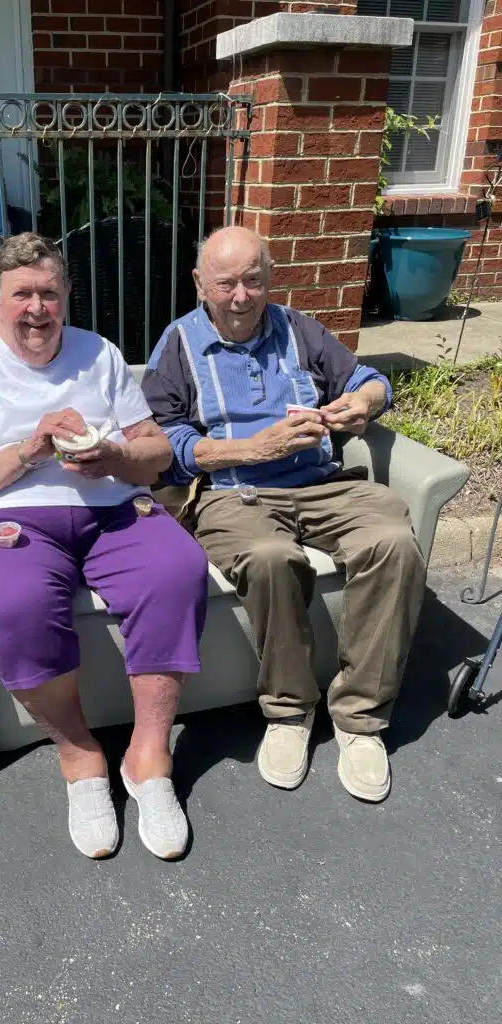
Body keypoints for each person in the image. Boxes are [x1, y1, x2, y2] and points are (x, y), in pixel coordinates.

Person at [0, 232, 208, 860]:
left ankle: (148, 755)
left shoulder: (99, 354)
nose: (37, 308)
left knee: (178, 568)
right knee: (10, 605)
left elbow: (156, 453)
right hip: (13, 519)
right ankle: (79, 752)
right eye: (22, 294)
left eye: (49, 293)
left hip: (110, 506)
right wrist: (28, 450)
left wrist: (116, 457)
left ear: (67, 296)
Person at [142, 225, 426, 803]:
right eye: (227, 284)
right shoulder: (178, 345)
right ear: (201, 284)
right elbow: (160, 442)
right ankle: (290, 712)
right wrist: (252, 448)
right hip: (232, 490)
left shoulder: (300, 329)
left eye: (254, 281)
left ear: (270, 280)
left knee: (394, 539)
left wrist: (360, 406)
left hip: (320, 483)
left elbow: (369, 380)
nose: (242, 296)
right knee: (272, 558)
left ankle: (360, 719)